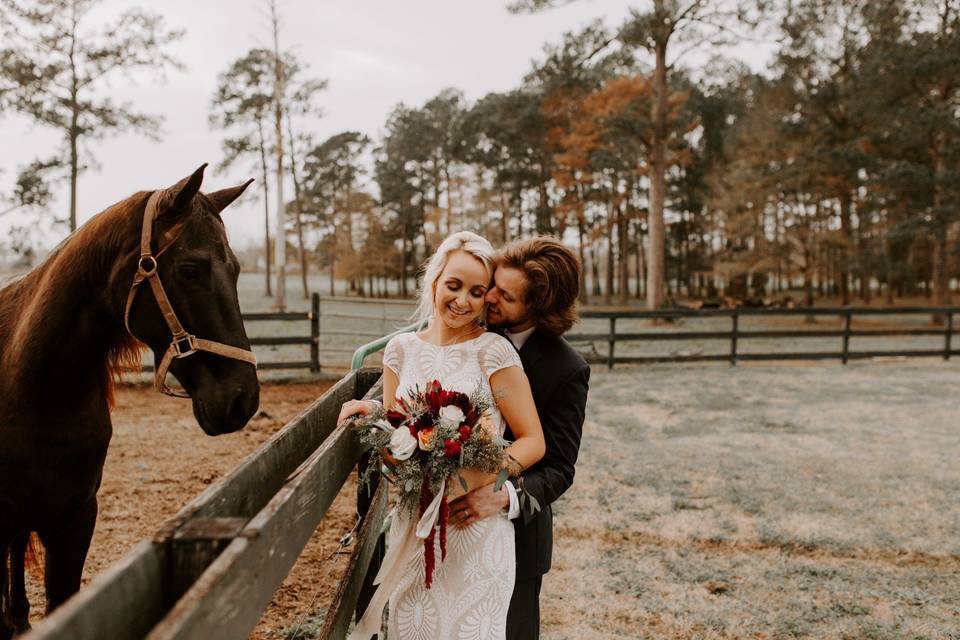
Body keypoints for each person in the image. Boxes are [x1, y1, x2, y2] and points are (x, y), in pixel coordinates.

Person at [340, 236, 590, 640]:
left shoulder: (553, 366)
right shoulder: (408, 347)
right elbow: (397, 414)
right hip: (418, 522)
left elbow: (555, 462)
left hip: (496, 526)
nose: (484, 300)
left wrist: (492, 489)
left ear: (536, 309)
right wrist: (379, 422)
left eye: (497, 294)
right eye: (483, 287)